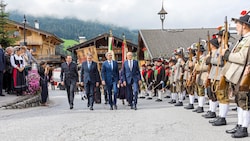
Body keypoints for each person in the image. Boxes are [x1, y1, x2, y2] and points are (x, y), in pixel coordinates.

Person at [222, 12, 250, 138]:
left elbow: (242, 57)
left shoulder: (248, 39)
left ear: (244, 25)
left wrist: (227, 55)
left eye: (238, 24)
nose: (236, 26)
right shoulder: (243, 39)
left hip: (245, 75)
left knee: (245, 102)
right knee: (239, 101)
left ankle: (244, 128)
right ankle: (239, 124)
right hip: (239, 75)